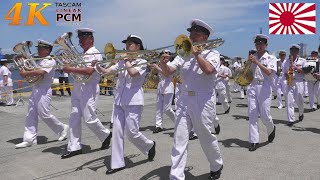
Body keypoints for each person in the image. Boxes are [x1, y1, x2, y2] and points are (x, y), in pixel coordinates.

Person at [159, 19, 223, 180]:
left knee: (205, 136)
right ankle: (176, 176)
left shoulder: (213, 53)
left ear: (204, 37)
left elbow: (209, 70)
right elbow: (169, 72)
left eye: (195, 34)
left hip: (203, 101)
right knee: (179, 139)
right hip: (183, 100)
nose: (191, 37)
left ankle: (216, 163)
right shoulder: (183, 54)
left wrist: (197, 54)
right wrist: (163, 64)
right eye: (190, 33)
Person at [95, 34, 156, 174]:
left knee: (132, 133)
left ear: (138, 47)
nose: (126, 47)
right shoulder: (121, 62)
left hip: (134, 102)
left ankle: (149, 145)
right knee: (116, 133)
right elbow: (107, 72)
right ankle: (117, 164)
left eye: (129, 44)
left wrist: (127, 61)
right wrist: (98, 66)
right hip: (119, 101)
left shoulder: (143, 61)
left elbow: (134, 73)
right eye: (126, 44)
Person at [61, 28, 112, 159]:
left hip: (89, 89)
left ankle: (105, 134)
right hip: (78, 88)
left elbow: (89, 71)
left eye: (82, 39)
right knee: (74, 117)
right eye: (79, 39)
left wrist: (69, 68)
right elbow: (78, 69)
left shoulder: (94, 52)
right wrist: (67, 63)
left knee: (89, 119)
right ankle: (74, 147)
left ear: (91, 39)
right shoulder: (83, 54)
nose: (80, 42)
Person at [15, 40, 69, 148]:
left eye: (41, 48)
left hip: (44, 89)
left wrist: (26, 73)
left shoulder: (50, 60)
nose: (38, 50)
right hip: (35, 88)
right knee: (31, 114)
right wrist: (22, 66)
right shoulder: (37, 60)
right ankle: (29, 139)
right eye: (38, 48)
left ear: (48, 50)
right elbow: (31, 71)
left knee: (44, 113)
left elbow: (41, 72)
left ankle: (62, 128)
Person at [246, 34, 276, 151]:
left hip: (264, 86)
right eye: (257, 44)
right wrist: (248, 63)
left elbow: (269, 71)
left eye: (261, 44)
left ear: (266, 45)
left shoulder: (271, 58)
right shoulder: (252, 57)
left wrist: (257, 62)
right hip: (253, 86)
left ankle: (271, 128)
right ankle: (254, 140)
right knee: (252, 115)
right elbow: (247, 72)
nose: (259, 46)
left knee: (265, 115)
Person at [150, 50, 176, 133]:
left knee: (167, 109)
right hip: (161, 86)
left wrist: (157, 68)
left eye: (165, 54)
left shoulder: (171, 64)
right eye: (162, 55)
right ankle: (159, 125)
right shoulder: (160, 64)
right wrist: (152, 69)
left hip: (168, 87)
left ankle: (178, 122)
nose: (163, 56)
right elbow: (156, 74)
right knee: (158, 108)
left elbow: (167, 74)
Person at [283, 44, 306, 127]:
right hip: (290, 82)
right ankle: (290, 119)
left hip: (299, 81)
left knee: (300, 100)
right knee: (289, 101)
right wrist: (288, 77)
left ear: (298, 51)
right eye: (291, 50)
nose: (293, 52)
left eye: (295, 50)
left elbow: (305, 71)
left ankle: (301, 113)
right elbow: (284, 73)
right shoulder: (286, 61)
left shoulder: (303, 60)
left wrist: (296, 68)